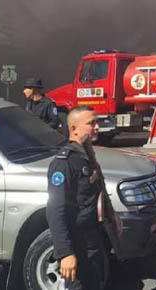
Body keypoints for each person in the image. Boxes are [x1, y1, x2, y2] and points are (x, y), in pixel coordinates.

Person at [46, 106, 114, 290]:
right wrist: (65, 253)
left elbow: (97, 192)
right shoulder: (64, 163)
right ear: (74, 129)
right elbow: (55, 210)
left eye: (97, 122)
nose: (97, 127)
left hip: (93, 240)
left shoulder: (85, 156)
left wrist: (112, 217)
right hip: (77, 242)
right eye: (91, 123)